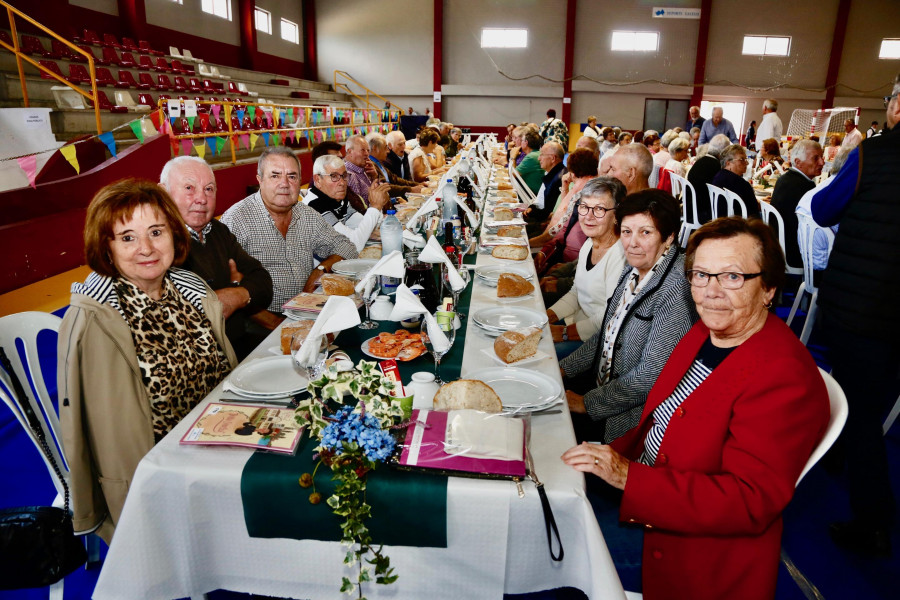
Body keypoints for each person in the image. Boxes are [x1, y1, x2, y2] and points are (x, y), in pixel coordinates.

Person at [562, 217, 828, 598]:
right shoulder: (705, 332)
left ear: (769, 287)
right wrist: (609, 461)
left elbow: (748, 500)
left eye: (732, 276)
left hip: (691, 550)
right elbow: (657, 423)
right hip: (650, 493)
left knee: (550, 541)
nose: (710, 291)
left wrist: (626, 477)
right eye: (700, 275)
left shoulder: (783, 376)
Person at [60, 179, 238, 543]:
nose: (145, 248)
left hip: (222, 442)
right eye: (127, 237)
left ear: (174, 234)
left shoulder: (191, 290)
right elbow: (87, 436)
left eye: (155, 232)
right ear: (106, 248)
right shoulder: (96, 321)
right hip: (159, 474)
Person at [810, 73, 900, 556]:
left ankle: (873, 520)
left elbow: (823, 211)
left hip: (866, 306)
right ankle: (838, 454)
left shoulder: (872, 155)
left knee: (862, 411)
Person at [560, 189, 697, 444]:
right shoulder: (635, 267)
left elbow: (650, 376)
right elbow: (609, 333)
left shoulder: (676, 288)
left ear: (668, 237)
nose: (632, 242)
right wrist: (563, 369)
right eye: (626, 232)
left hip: (629, 422)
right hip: (602, 388)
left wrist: (586, 403)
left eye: (645, 232)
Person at [159, 156, 275, 359]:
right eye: (189, 188)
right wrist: (239, 290)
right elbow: (187, 310)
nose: (201, 198)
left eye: (209, 189)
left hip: (237, 346)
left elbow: (263, 283)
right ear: (163, 192)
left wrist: (236, 294)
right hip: (196, 360)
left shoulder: (218, 231)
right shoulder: (159, 242)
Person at [221, 147, 358, 311]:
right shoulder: (236, 220)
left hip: (306, 310)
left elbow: (347, 247)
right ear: (260, 180)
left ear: (300, 180)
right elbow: (225, 289)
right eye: (275, 176)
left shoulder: (306, 214)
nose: (284, 184)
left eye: (292, 176)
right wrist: (274, 325)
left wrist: (320, 270)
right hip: (258, 322)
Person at [546, 178, 626, 358]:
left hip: (596, 343)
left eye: (599, 209)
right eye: (584, 206)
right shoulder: (590, 243)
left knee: (538, 357)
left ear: (617, 214)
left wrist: (564, 333)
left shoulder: (620, 257)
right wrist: (547, 316)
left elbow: (608, 317)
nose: (588, 216)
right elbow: (576, 293)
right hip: (576, 324)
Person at [304, 155, 390, 251]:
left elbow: (368, 227)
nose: (342, 183)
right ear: (318, 180)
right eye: (334, 176)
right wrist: (375, 207)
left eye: (344, 176)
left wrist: (375, 204)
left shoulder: (336, 198)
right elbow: (352, 246)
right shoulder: (314, 206)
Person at [532, 148, 599, 251]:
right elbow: (566, 213)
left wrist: (528, 242)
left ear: (571, 171)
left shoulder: (582, 191)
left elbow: (554, 231)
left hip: (564, 251)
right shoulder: (592, 185)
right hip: (565, 245)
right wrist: (565, 188)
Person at [771, 138, 824, 268]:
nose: (822, 162)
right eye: (816, 158)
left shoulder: (784, 179)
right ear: (798, 162)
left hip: (776, 246)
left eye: (822, 157)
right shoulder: (805, 187)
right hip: (794, 253)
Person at [687, 134, 731, 224]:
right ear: (724, 151)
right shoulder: (715, 166)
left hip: (690, 207)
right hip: (703, 212)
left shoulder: (700, 161)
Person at [710, 144, 762, 219]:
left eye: (746, 159)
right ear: (728, 163)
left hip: (720, 221)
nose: (747, 163)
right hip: (740, 224)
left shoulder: (718, 176)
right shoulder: (742, 184)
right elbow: (754, 210)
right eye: (742, 160)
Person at [365, 132, 422, 197]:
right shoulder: (370, 166)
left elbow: (395, 179)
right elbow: (385, 187)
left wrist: (416, 185)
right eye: (385, 148)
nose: (388, 151)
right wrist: (411, 189)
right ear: (375, 148)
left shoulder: (379, 162)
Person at [526, 141, 566, 229]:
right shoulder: (552, 173)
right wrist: (532, 207)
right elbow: (541, 201)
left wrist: (531, 212)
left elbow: (548, 212)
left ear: (552, 158)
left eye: (542, 155)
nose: (539, 158)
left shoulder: (559, 179)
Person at [515, 130, 545, 194]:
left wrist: (512, 157)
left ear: (526, 142)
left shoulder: (531, 157)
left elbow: (513, 174)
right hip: (533, 192)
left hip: (530, 194)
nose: (520, 143)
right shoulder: (536, 154)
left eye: (522, 140)